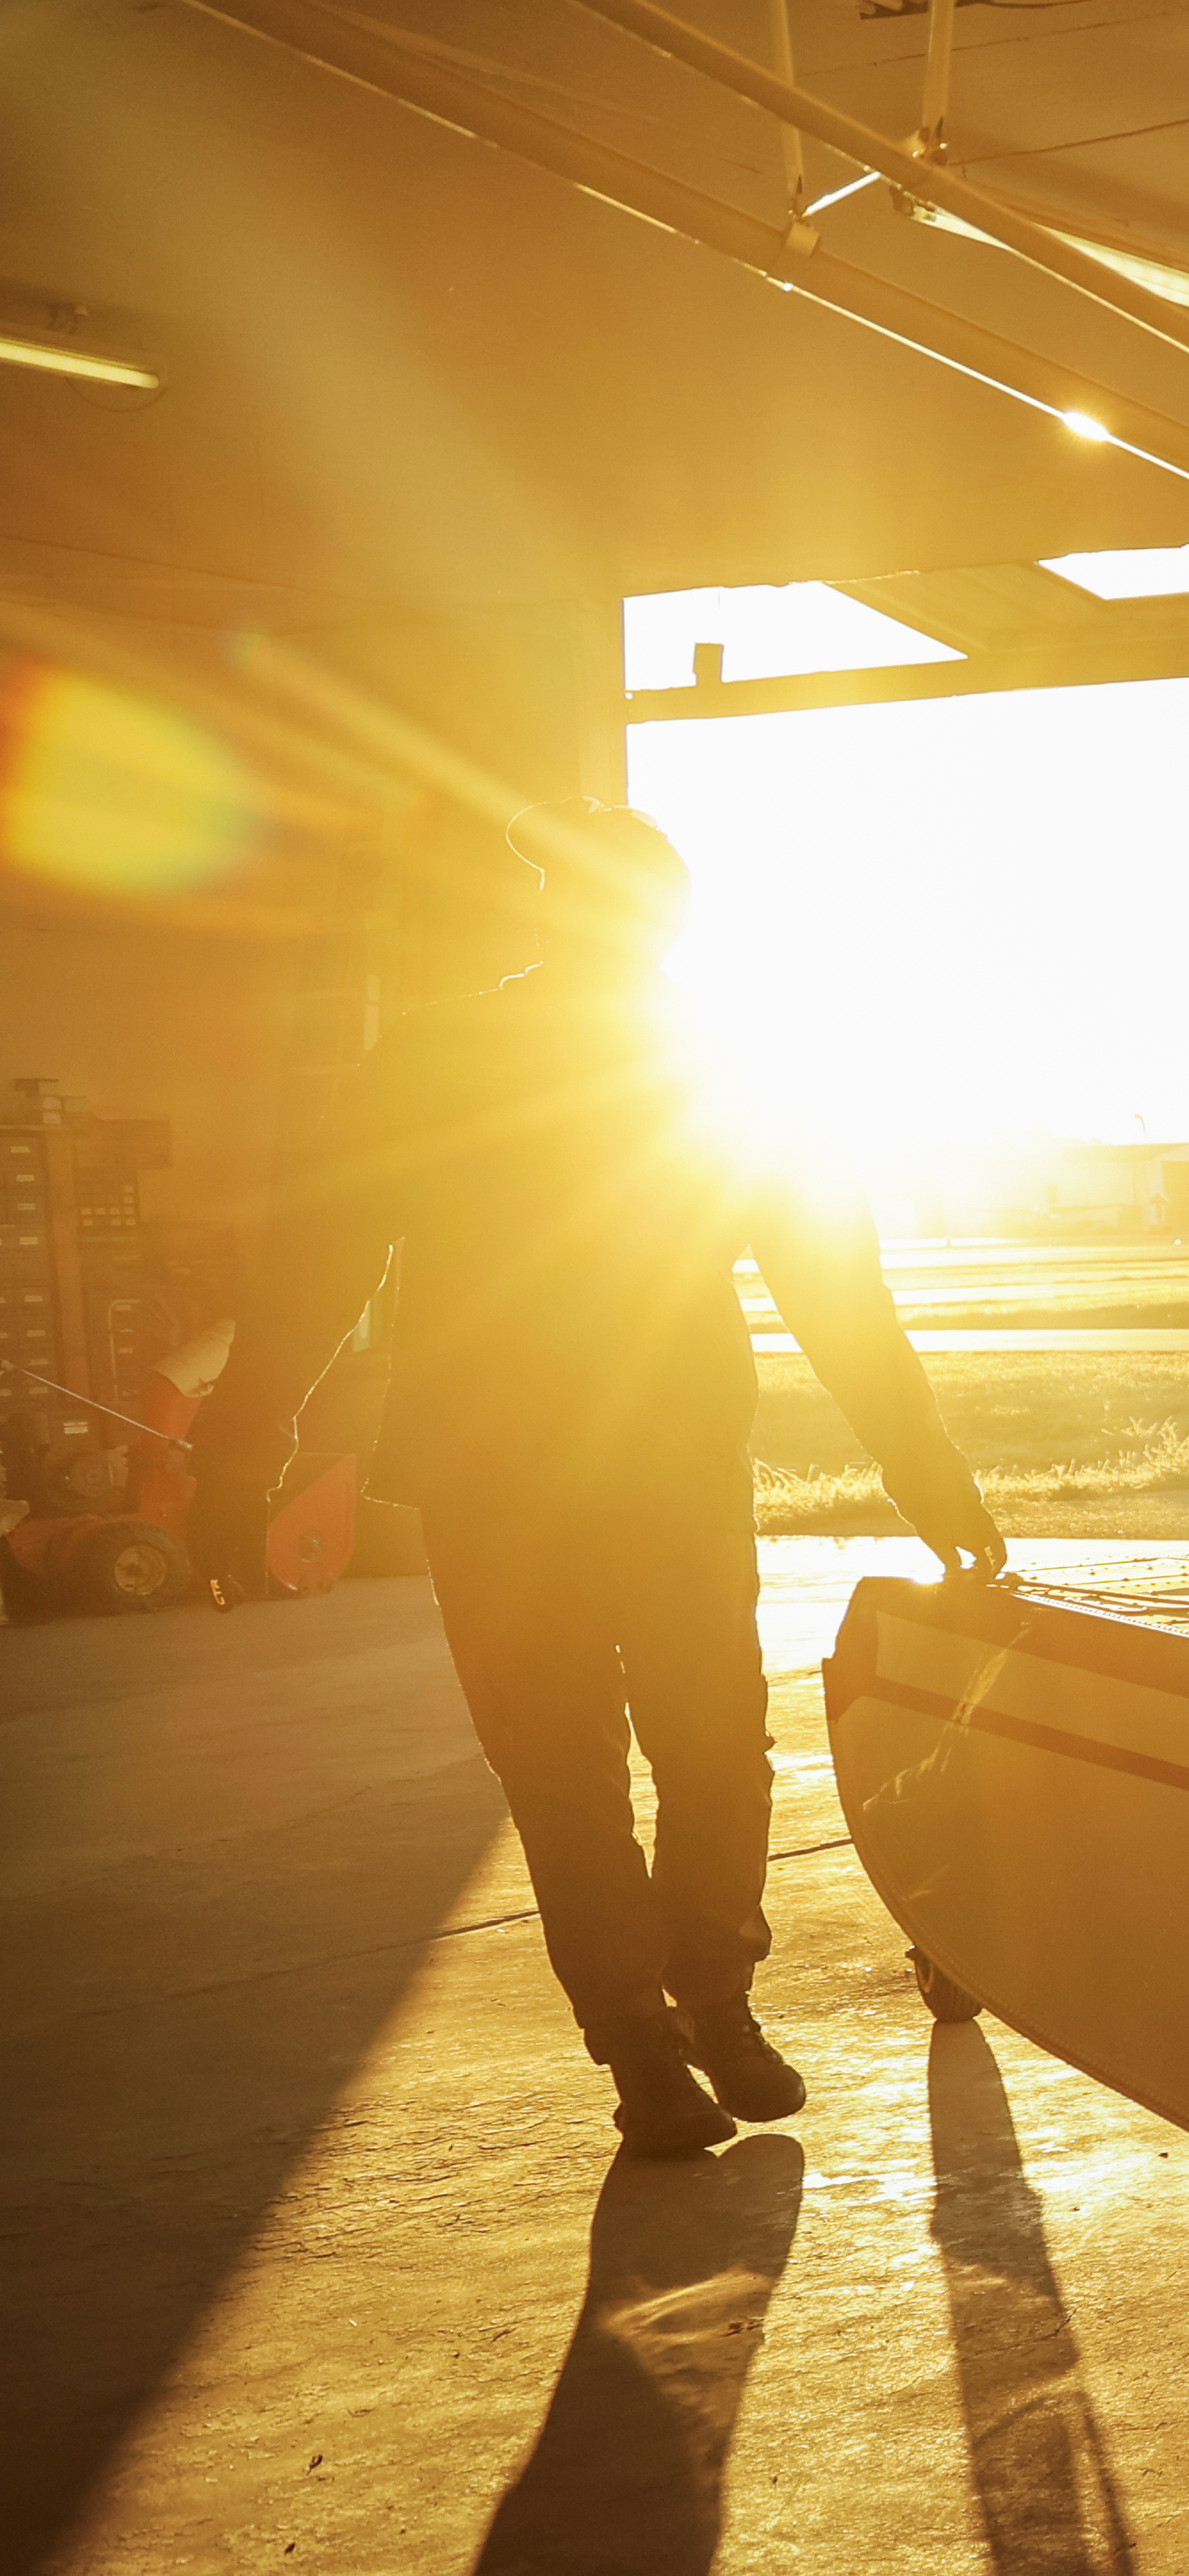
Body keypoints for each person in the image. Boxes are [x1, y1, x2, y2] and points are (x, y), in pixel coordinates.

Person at [180, 804, 1006, 2159]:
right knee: (660, 1755)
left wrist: (935, 1484)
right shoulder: (527, 1055)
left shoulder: (645, 1061)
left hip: (590, 1469)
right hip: (554, 1472)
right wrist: (239, 1456)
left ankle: (690, 2016)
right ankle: (656, 2037)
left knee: (629, 1762)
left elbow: (834, 1292)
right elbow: (319, 1268)